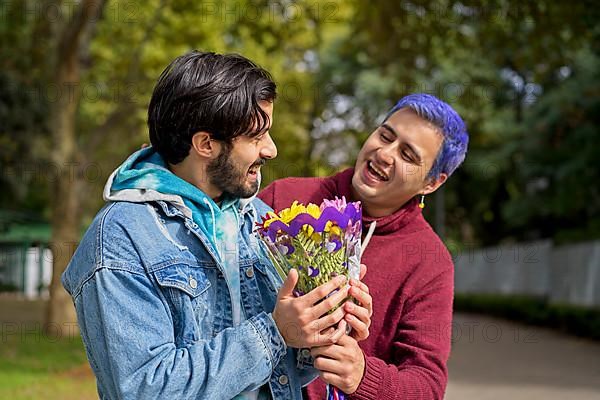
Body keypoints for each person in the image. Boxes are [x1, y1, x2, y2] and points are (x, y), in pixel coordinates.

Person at [61, 51, 371, 400]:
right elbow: (145, 388)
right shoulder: (121, 237)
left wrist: (325, 322)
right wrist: (274, 332)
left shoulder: (256, 217)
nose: (271, 149)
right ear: (206, 144)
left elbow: (283, 371)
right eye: (256, 137)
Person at [259, 93, 469, 399]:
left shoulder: (430, 262)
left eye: (408, 155)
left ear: (432, 183)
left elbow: (427, 385)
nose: (385, 154)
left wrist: (362, 375)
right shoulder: (283, 198)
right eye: (385, 135)